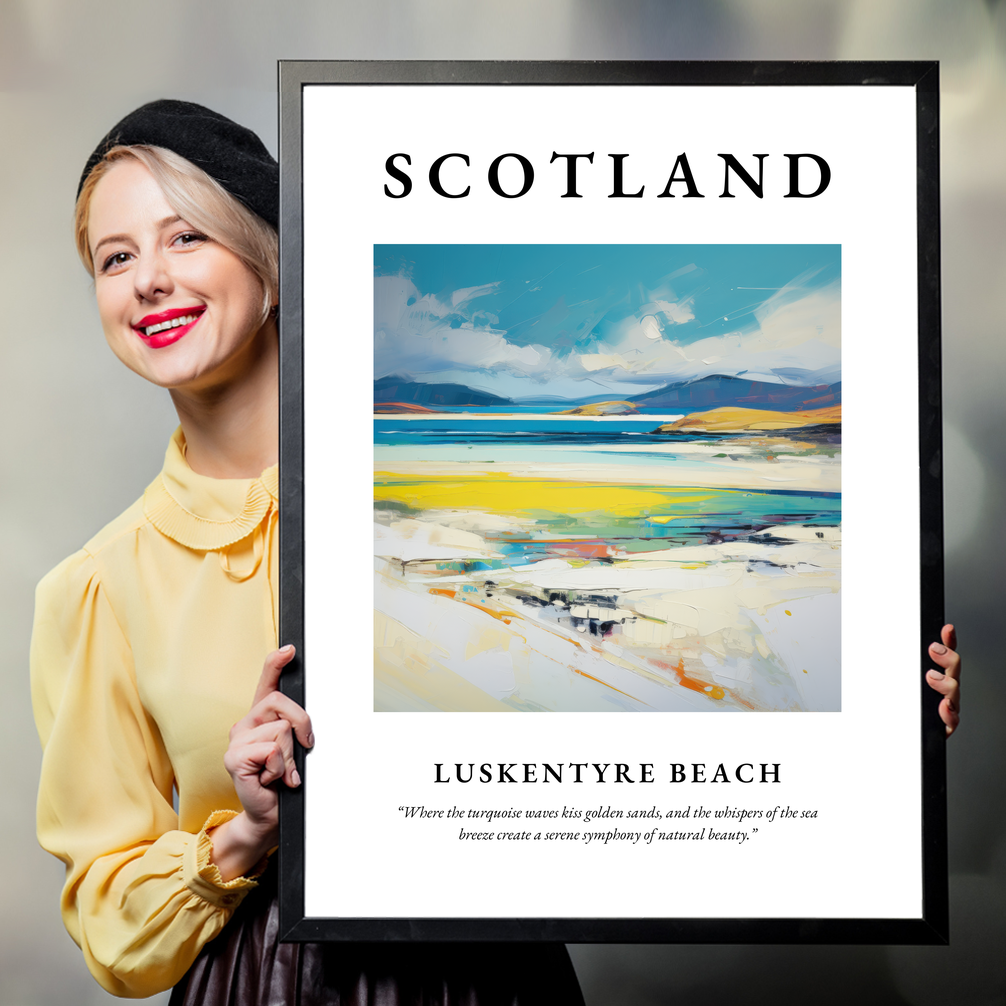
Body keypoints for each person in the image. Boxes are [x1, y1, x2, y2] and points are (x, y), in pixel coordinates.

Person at [30, 100, 585, 1004]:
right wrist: (244, 832)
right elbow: (110, 924)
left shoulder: (450, 500)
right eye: (116, 257)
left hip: (493, 973)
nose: (148, 281)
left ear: (273, 264)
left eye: (186, 239)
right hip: (263, 982)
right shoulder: (97, 587)